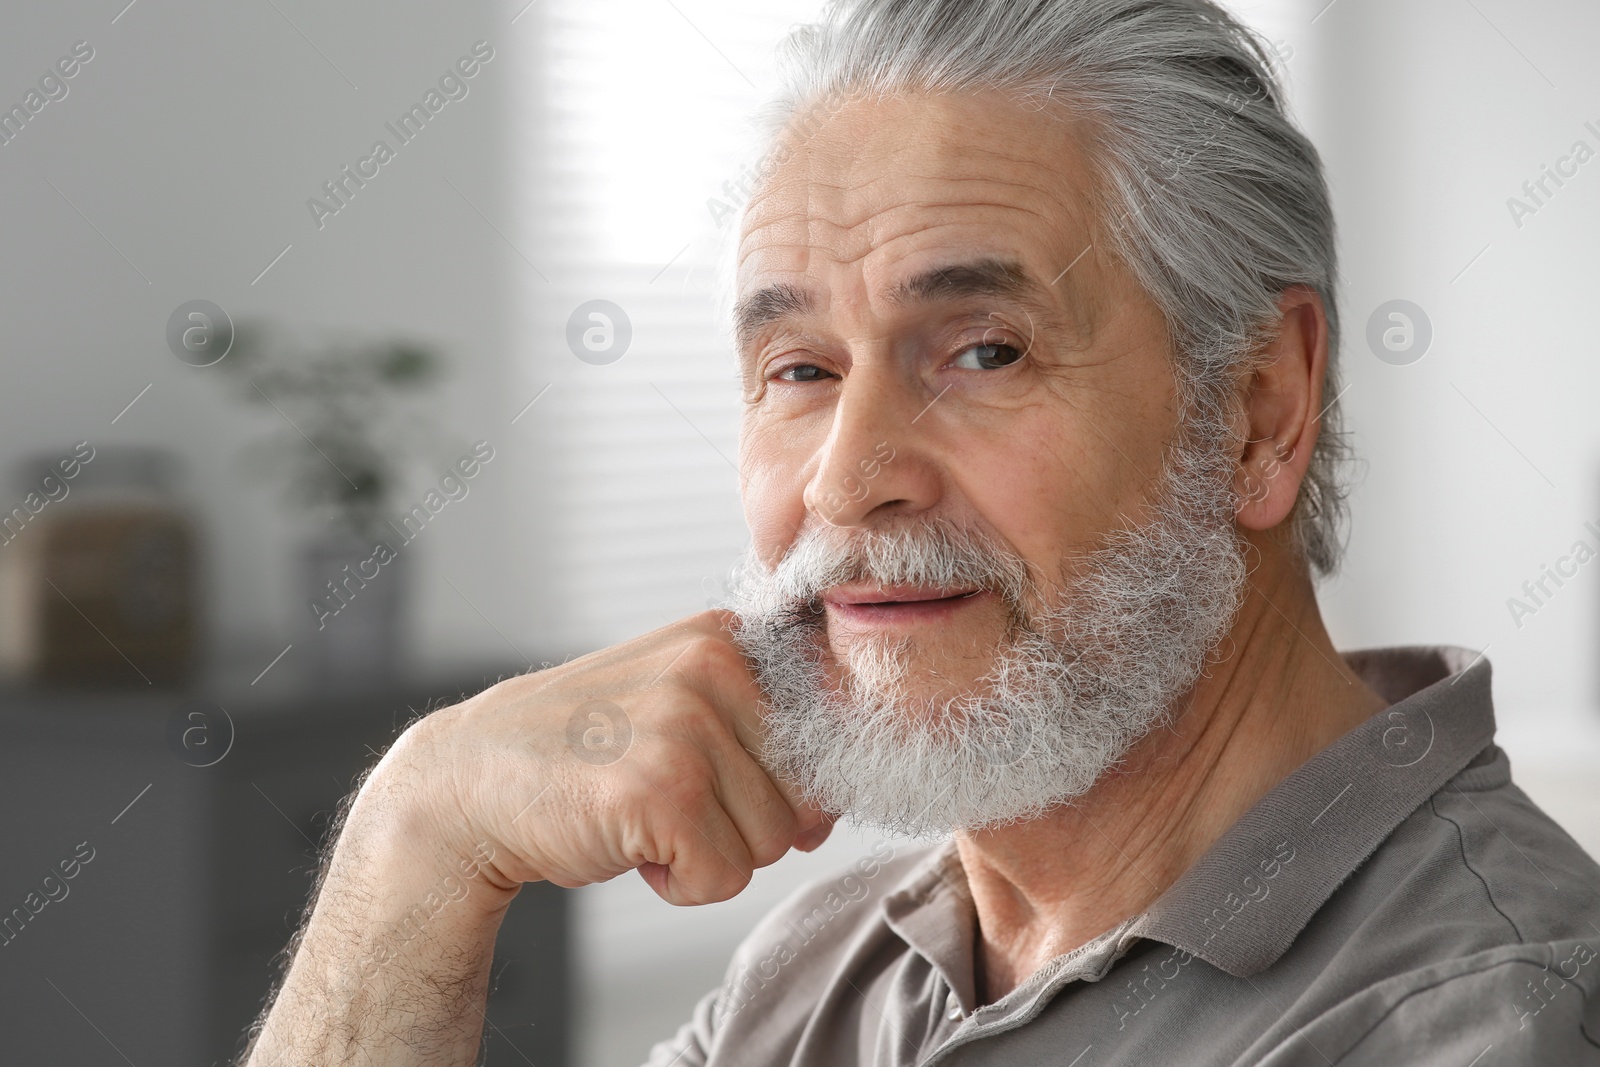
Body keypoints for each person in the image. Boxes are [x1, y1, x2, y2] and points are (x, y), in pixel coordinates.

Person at [241, 1, 1600, 1063]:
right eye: (800, 370)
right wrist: (414, 845)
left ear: (1259, 410)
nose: (847, 483)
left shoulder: (1484, 1018)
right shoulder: (834, 963)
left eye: (984, 350)